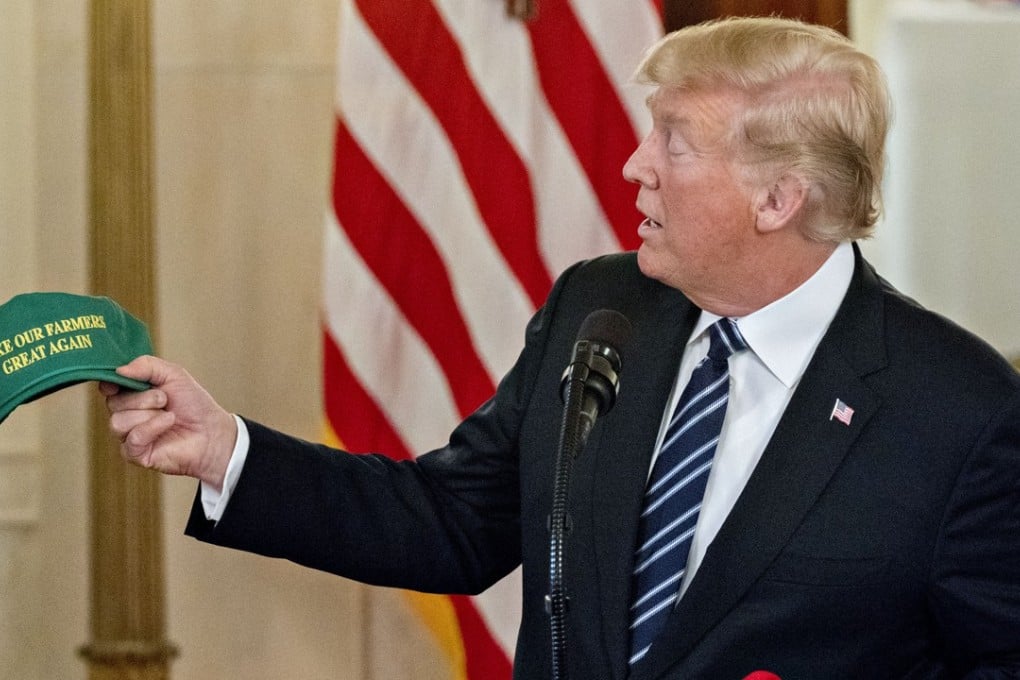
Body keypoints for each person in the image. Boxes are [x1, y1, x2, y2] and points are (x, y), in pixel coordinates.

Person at [103, 16, 1020, 679]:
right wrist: (225, 451)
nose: (634, 165)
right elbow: (454, 521)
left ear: (776, 199)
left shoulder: (960, 411)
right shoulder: (601, 306)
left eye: (674, 142)